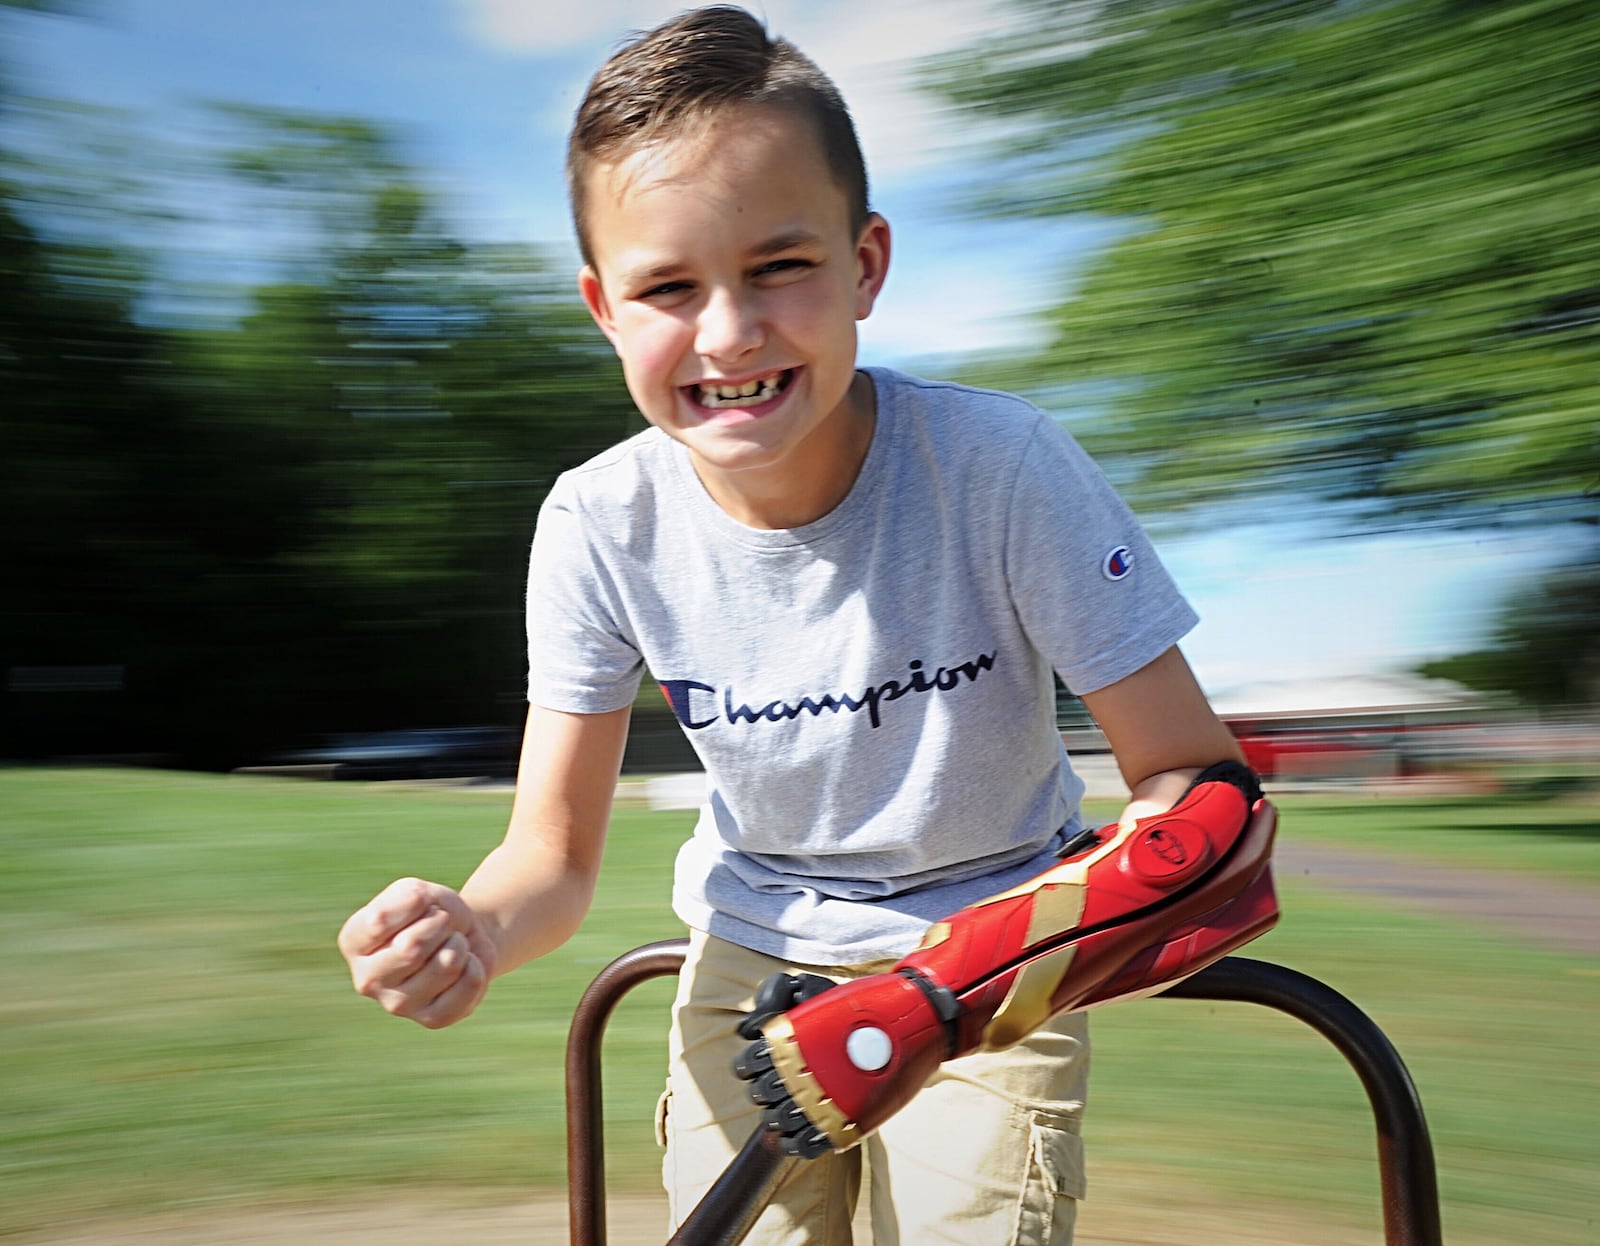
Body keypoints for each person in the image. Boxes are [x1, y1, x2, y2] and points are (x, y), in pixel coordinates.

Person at [337, 7, 1247, 1243]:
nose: (727, 333)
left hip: (993, 977)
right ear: (605, 308)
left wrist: (951, 984)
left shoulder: (1005, 468)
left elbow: (1202, 793)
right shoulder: (598, 523)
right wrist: (477, 927)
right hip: (746, 967)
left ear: (865, 263)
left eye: (779, 266)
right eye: (668, 287)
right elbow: (549, 856)